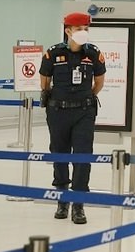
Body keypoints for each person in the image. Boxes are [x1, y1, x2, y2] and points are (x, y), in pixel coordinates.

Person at [39, 12, 106, 225]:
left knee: (83, 156)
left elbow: (99, 82)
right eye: (79, 29)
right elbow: (44, 82)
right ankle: (62, 199)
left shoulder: (94, 54)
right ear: (68, 30)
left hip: (84, 112)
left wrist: (85, 98)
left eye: (86, 29)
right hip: (58, 112)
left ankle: (78, 204)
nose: (83, 33)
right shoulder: (53, 53)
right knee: (59, 154)